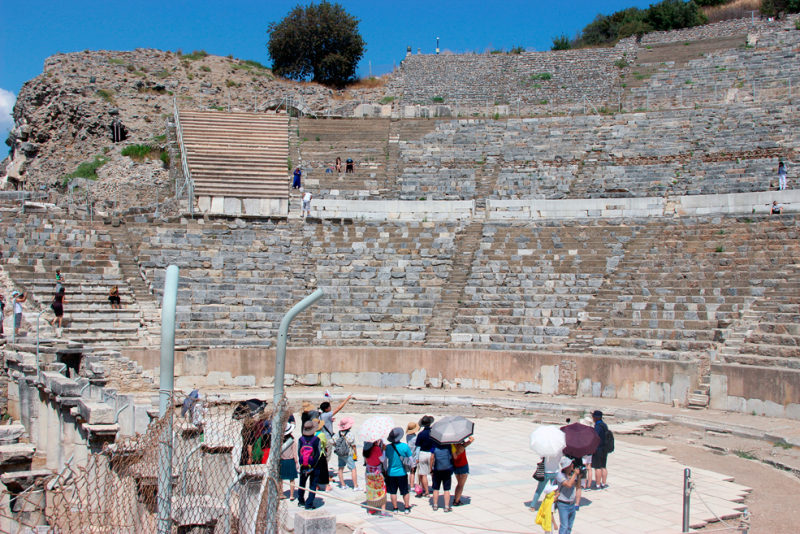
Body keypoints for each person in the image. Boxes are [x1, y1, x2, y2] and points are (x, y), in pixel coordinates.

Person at [384, 427, 413, 514]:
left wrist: (385, 469)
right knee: (405, 491)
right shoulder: (404, 446)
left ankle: (395, 508)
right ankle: (406, 507)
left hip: (391, 473)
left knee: (393, 492)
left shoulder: (387, 448)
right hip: (402, 473)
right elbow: (411, 459)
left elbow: (385, 460)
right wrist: (412, 467)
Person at [297, 420, 323, 509]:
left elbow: (299, 453)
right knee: (312, 485)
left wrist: (303, 463)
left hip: (303, 466)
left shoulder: (301, 439)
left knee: (302, 484)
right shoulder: (317, 440)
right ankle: (309, 504)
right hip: (314, 467)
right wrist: (313, 466)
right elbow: (318, 454)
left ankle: (301, 501)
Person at [555, 456, 581, 534]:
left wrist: (578, 476)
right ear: (566, 467)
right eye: (571, 465)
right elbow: (569, 484)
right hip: (563, 504)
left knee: (569, 527)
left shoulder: (572, 475)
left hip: (572, 504)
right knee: (564, 527)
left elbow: (578, 486)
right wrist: (574, 475)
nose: (573, 466)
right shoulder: (560, 476)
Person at [335, 417, 361, 491]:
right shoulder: (350, 434)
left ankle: (342, 484)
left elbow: (332, 441)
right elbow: (353, 445)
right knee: (353, 469)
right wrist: (355, 454)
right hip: (348, 453)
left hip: (340, 454)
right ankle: (355, 486)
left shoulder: (338, 434)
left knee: (340, 468)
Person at [364, 440, 390, 516]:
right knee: (382, 489)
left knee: (370, 489)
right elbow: (382, 459)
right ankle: (383, 510)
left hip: (369, 471)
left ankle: (371, 509)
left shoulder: (365, 448)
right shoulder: (376, 448)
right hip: (377, 472)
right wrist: (384, 450)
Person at [430, 439, 454, 512]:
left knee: (436, 488)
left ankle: (435, 505)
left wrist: (430, 468)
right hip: (447, 469)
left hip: (437, 469)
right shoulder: (449, 445)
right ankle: (446, 507)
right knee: (446, 489)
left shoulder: (434, 445)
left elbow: (432, 458)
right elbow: (452, 456)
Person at [415, 416, 435, 498]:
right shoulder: (433, 433)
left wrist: (417, 458)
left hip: (423, 454)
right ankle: (434, 487)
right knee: (433, 471)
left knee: (423, 474)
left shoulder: (420, 434)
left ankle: (426, 491)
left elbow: (418, 447)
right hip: (432, 453)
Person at [452, 435, 474, 506]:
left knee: (459, 484)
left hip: (456, 467)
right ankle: (456, 501)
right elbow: (472, 439)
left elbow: (454, 457)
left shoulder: (452, 446)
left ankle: (456, 498)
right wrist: (468, 435)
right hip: (463, 466)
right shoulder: (462, 446)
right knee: (461, 485)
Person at [281, 421, 300, 500]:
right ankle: (291, 495)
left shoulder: (280, 440)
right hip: (291, 460)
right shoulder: (293, 440)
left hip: (282, 460)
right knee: (292, 479)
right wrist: (296, 462)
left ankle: (280, 493)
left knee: (280, 479)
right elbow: (295, 452)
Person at [312, 419, 331, 491]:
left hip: (314, 455)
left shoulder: (312, 433)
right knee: (324, 470)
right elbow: (324, 443)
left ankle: (316, 485)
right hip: (321, 454)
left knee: (315, 470)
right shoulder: (321, 434)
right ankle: (326, 485)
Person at [592, 410, 609, 490]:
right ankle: (604, 483)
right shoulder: (604, 425)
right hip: (604, 449)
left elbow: (595, 436)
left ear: (596, 417)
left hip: (598, 449)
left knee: (597, 467)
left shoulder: (598, 426)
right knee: (603, 466)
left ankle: (598, 485)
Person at [406, 421, 420, 489]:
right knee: (412, 472)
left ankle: (410, 485)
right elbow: (417, 448)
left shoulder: (407, 436)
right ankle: (412, 486)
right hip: (413, 456)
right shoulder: (415, 438)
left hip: (408, 456)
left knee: (410, 472)